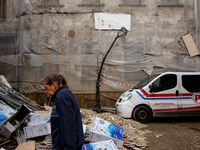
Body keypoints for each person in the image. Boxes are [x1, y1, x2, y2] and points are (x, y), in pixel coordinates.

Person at [43, 74, 85, 150]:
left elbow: (68, 125)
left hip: (65, 146)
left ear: (54, 84)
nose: (46, 91)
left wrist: (69, 147)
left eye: (46, 88)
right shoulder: (64, 94)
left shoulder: (62, 97)